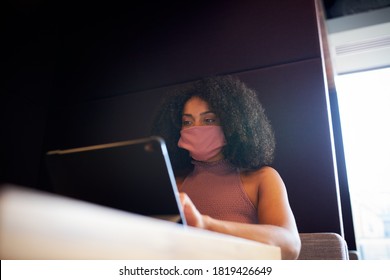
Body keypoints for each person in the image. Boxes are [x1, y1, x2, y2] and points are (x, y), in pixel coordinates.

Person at [151, 75, 301, 259]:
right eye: (187, 122)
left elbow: (289, 247)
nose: (196, 129)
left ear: (233, 125)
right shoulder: (175, 183)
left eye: (209, 120)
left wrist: (205, 225)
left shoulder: (262, 178)